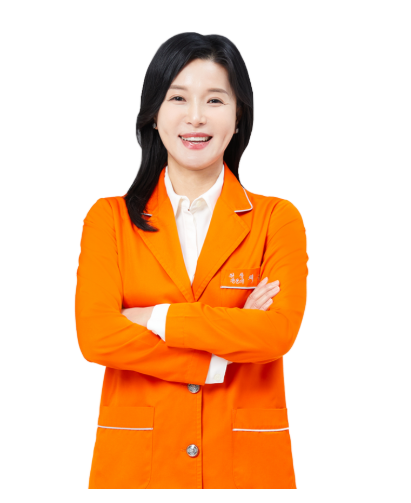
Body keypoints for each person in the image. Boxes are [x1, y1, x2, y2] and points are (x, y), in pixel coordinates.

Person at [75, 32, 309, 489]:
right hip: (139, 466)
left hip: (244, 468)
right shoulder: (110, 220)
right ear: (154, 114)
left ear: (239, 117)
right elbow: (97, 337)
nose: (196, 116)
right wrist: (221, 353)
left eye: (215, 100)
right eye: (178, 97)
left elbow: (276, 333)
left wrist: (153, 316)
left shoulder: (276, 219)